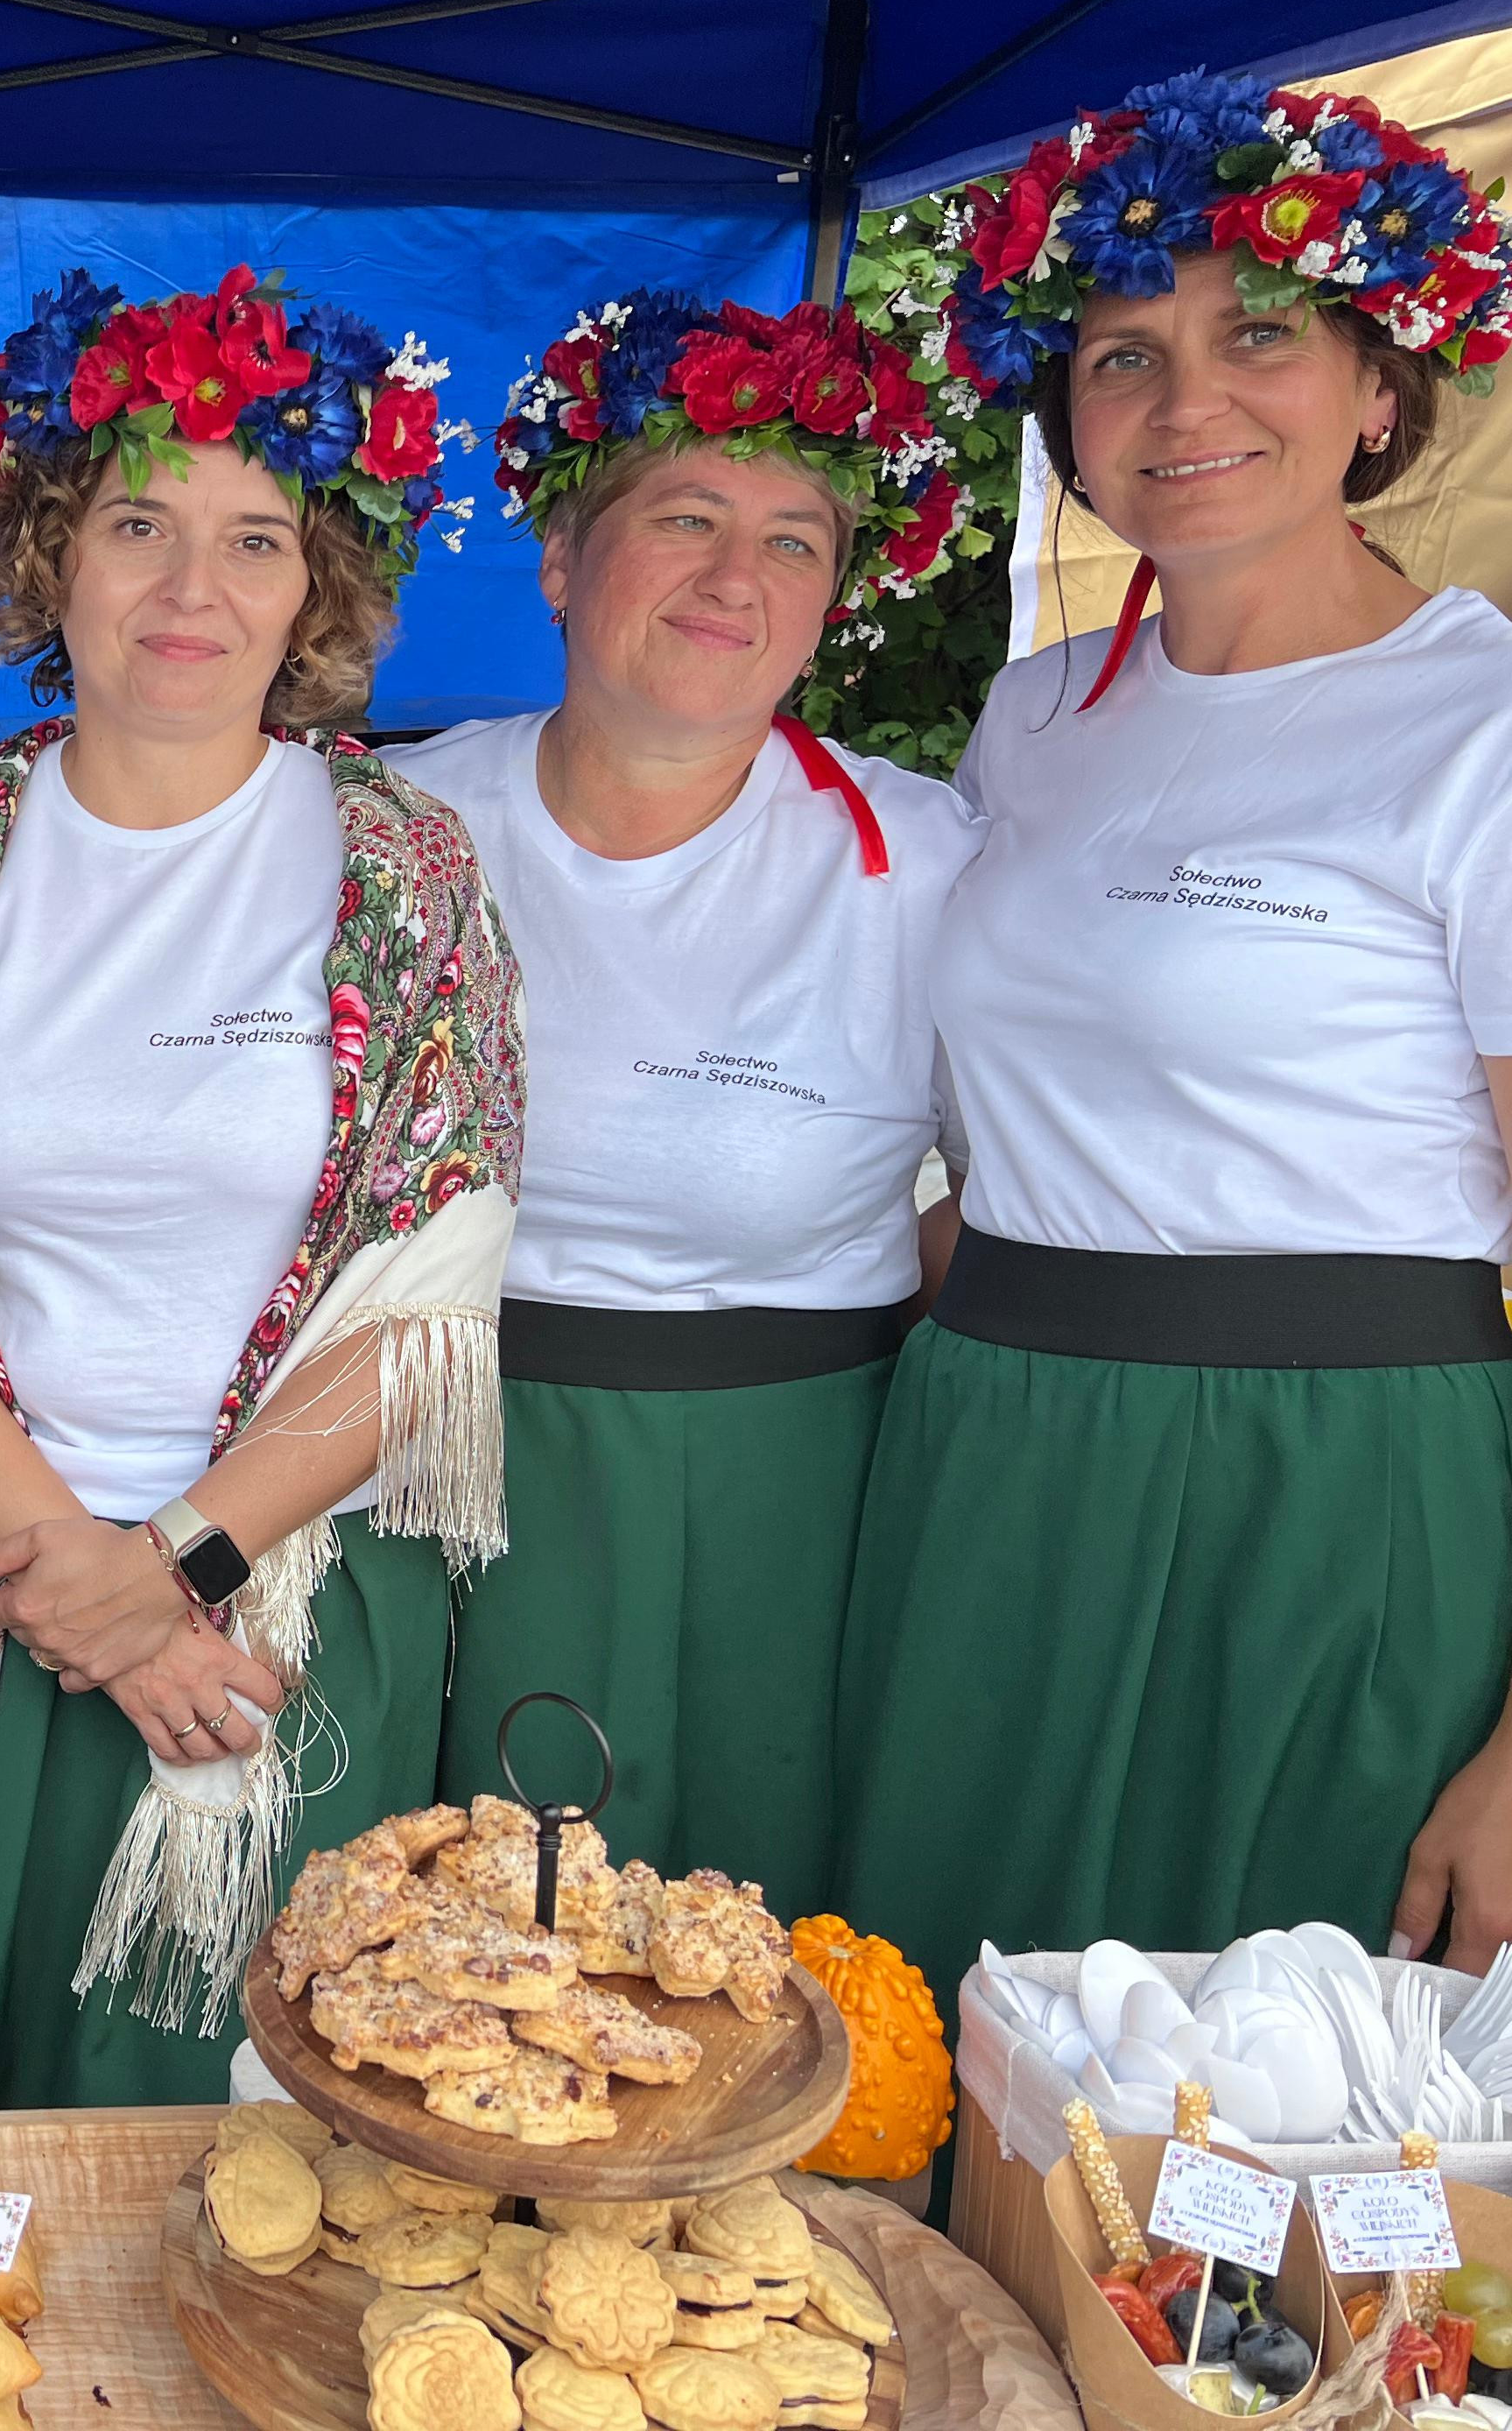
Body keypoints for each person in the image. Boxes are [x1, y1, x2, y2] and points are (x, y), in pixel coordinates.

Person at [834, 72, 1512, 2010]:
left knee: (1263, 2129)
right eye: (1122, 356)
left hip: (1331, 1495)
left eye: (1259, 332)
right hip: (995, 1462)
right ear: (1069, 424)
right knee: (955, 2050)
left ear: (1378, 381)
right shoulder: (1032, 719)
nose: (1189, 406)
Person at [0, 268, 523, 2106]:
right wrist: (68, 1574)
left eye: (254, 540)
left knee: (256, 2142)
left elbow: (434, 1293)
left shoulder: (405, 871)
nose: (192, 589)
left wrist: (170, 1570)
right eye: (137, 525)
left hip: (281, 1602)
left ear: (317, 589)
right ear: (49, 560)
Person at [390, 290, 984, 1918]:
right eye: (689, 519)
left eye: (796, 542)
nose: (739, 578)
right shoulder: (393, 820)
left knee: (750, 1930)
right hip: (438, 1465)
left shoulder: (927, 857)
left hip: (798, 1486)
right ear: (565, 561)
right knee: (456, 1922)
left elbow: (1015, 1199)